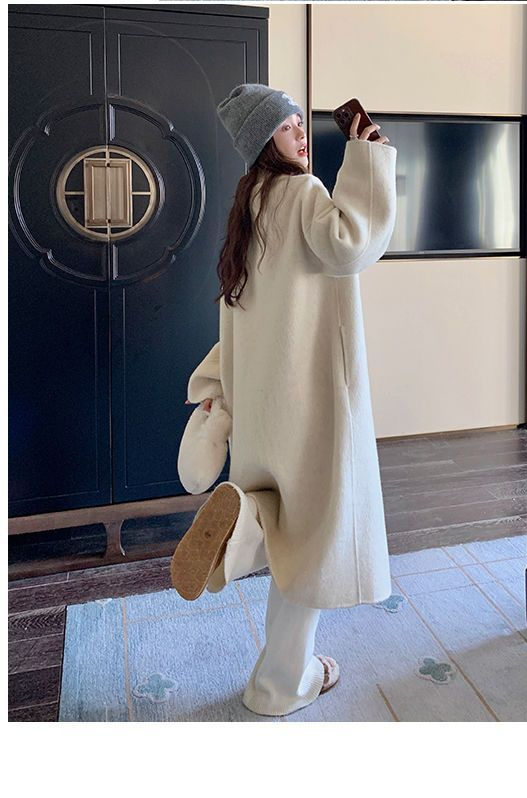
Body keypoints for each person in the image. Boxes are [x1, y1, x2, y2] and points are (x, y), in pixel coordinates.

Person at [170, 83, 397, 717]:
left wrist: (223, 391)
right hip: (313, 403)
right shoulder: (302, 193)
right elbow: (352, 245)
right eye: (286, 125)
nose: (299, 131)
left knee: (284, 521)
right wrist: (367, 156)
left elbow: (238, 313)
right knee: (317, 539)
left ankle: (244, 525)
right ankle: (281, 684)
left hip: (263, 405)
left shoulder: (251, 208)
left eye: (300, 121)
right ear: (264, 140)